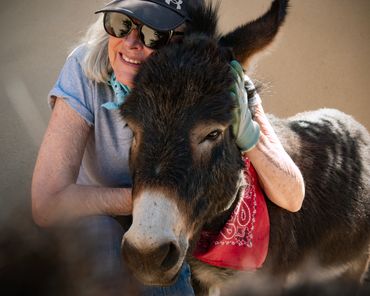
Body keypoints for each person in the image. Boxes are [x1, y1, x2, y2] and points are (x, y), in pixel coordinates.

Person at [31, 0, 305, 294]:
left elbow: (292, 196)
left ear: (183, 43)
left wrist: (250, 137)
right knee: (100, 233)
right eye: (120, 24)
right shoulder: (85, 67)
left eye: (153, 33)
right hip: (102, 216)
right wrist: (153, 206)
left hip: (175, 224)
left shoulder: (220, 80)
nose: (130, 43)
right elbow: (47, 203)